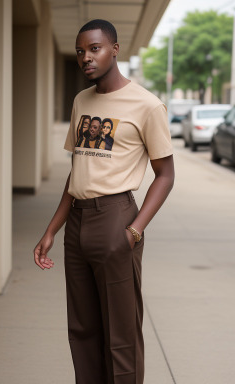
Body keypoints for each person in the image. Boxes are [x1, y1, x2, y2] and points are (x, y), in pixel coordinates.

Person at [33, 19, 175, 384]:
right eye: (81, 51)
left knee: (121, 335)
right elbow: (77, 170)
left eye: (94, 49)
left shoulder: (147, 105)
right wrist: (52, 230)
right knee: (82, 330)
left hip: (116, 219)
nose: (86, 58)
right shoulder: (82, 100)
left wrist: (133, 231)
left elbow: (166, 174)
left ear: (115, 49)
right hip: (77, 225)